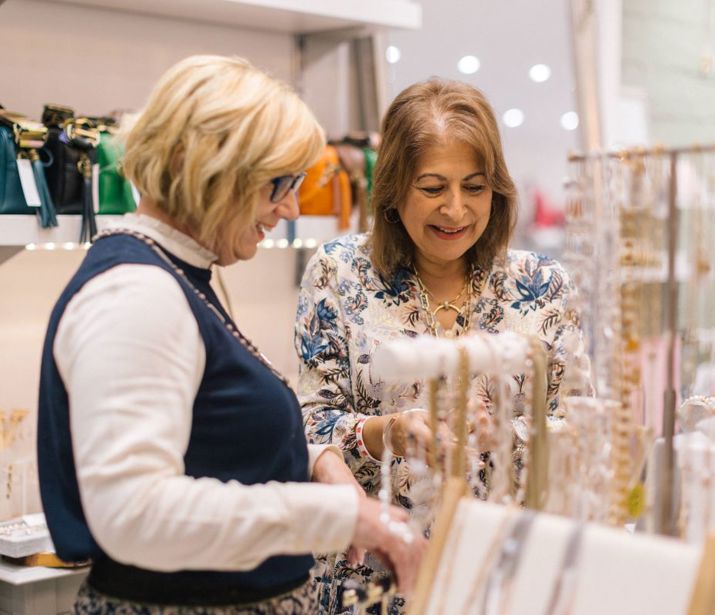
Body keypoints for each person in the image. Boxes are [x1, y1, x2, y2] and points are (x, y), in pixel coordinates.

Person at [37, 55, 425, 615]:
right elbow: (133, 513)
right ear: (203, 167)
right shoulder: (137, 296)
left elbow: (211, 436)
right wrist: (338, 516)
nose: (290, 208)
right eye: (279, 185)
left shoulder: (179, 274)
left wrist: (316, 461)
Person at [295, 78, 591, 613]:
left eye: (474, 187)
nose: (455, 210)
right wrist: (388, 432)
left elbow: (581, 429)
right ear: (393, 188)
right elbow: (307, 425)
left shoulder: (545, 286)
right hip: (373, 581)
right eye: (433, 188)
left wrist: (507, 434)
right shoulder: (338, 273)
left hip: (506, 577)